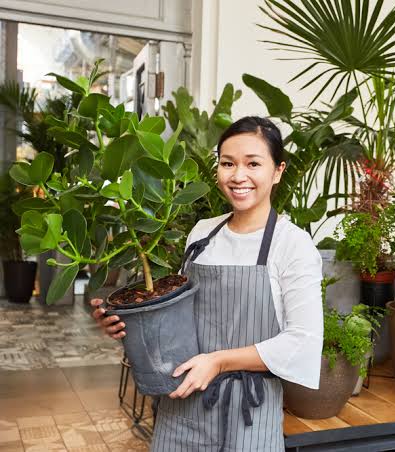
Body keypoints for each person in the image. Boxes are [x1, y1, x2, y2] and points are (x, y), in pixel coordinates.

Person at [90, 116, 324, 451]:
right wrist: (125, 323)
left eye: (253, 163)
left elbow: (303, 342)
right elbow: (174, 319)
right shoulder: (202, 233)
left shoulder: (292, 245)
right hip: (182, 404)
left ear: (277, 171)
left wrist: (218, 361)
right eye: (228, 163)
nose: (238, 175)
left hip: (248, 413)